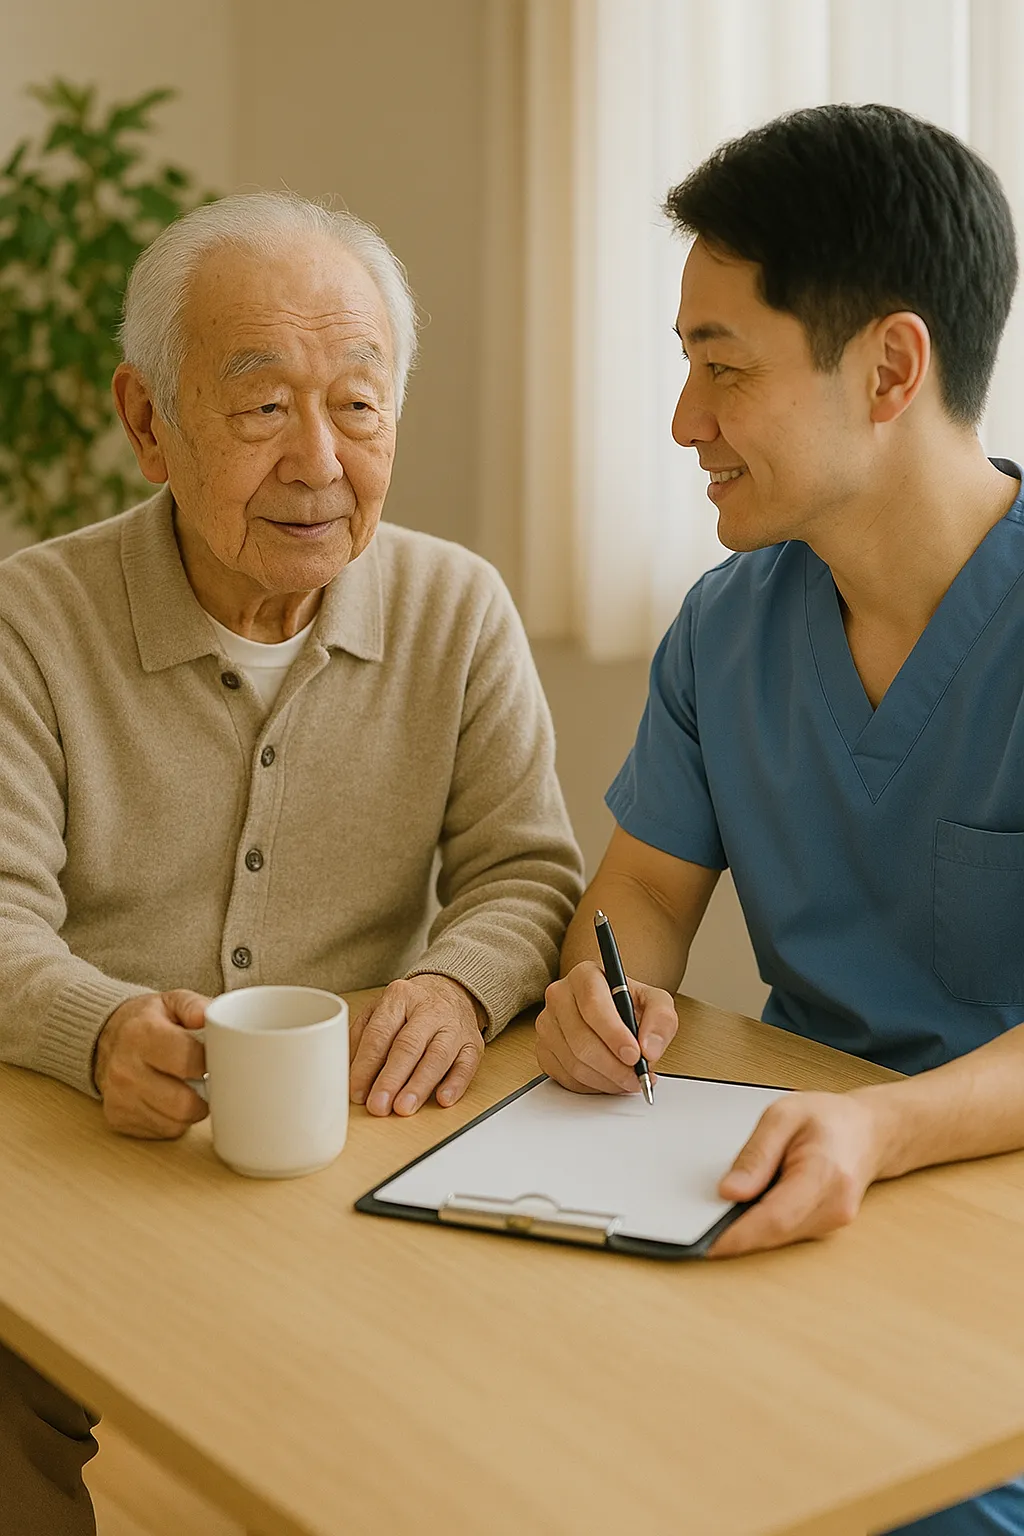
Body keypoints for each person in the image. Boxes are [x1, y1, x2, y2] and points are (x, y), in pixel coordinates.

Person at [0, 190, 583, 1534]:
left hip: (346, 1161)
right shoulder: (35, 622)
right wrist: (99, 1034)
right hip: (83, 1151)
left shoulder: (456, 609)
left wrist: (449, 989)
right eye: (261, 409)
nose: (319, 461)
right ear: (145, 419)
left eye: (360, 407)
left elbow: (525, 873)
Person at [536, 104, 1024, 1534]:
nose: (685, 423)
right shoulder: (726, 630)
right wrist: (599, 994)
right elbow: (641, 897)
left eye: (721, 367)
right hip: (791, 1189)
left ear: (888, 368)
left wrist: (883, 1134)